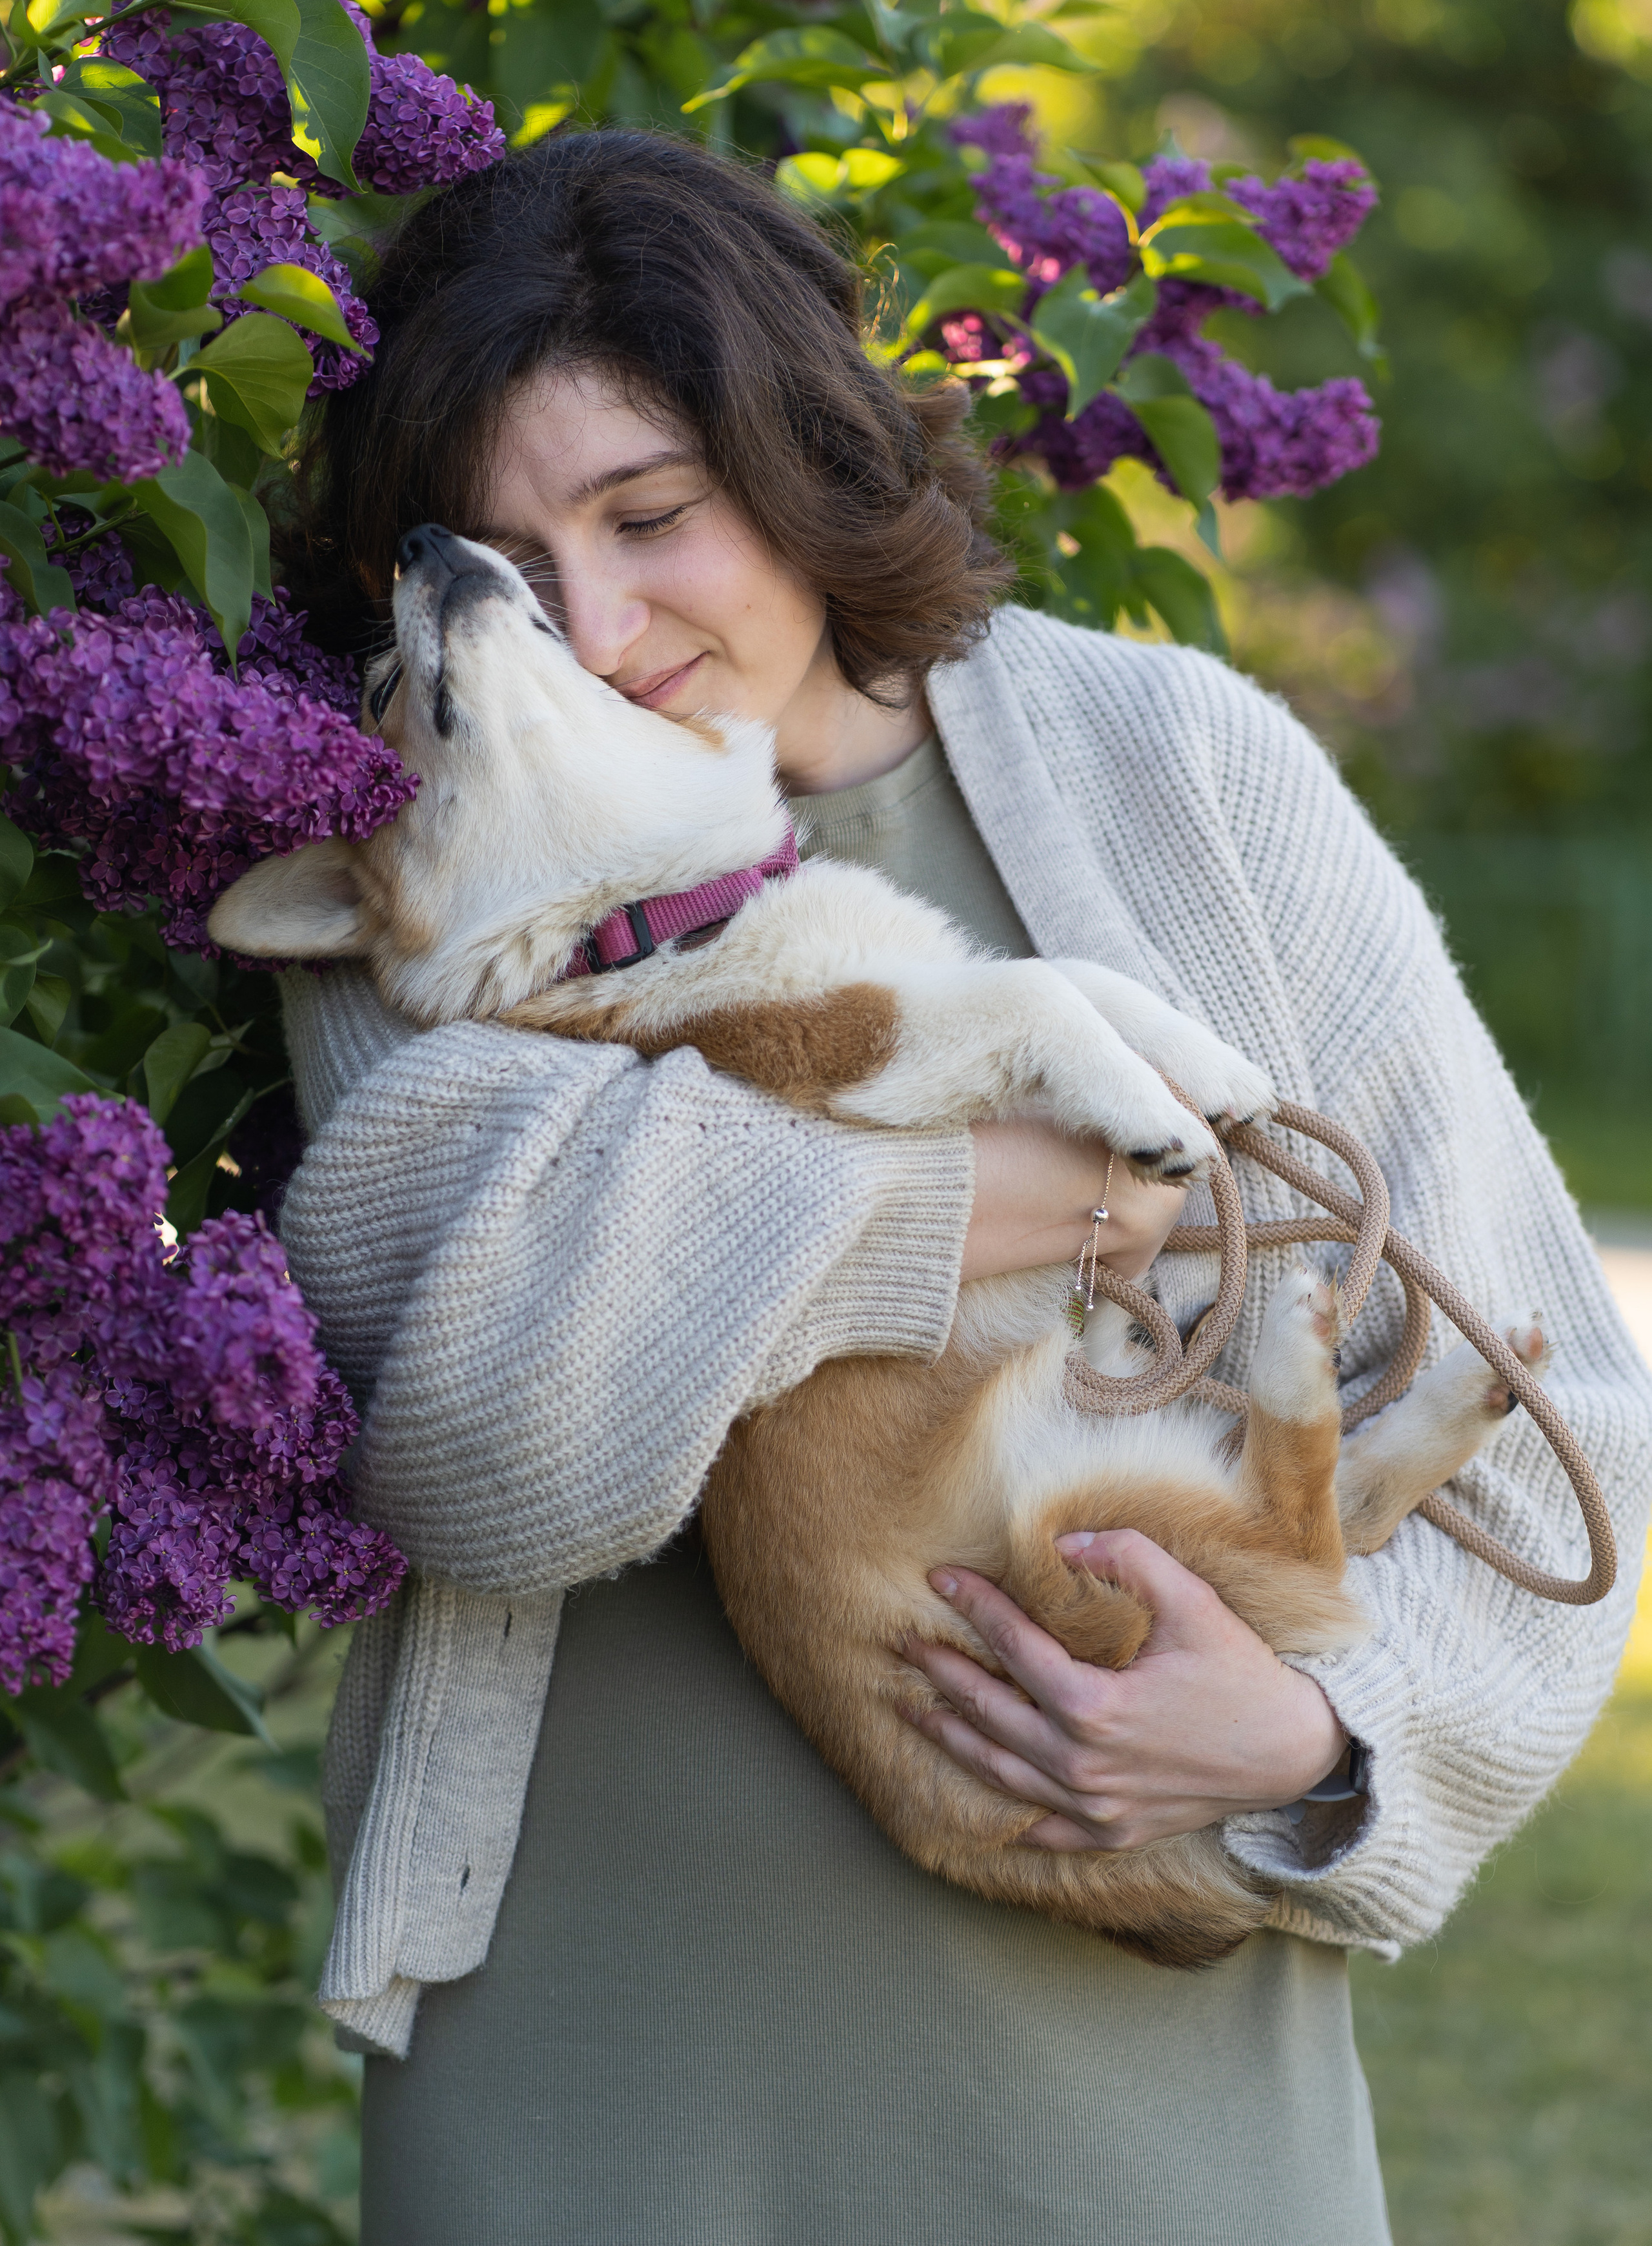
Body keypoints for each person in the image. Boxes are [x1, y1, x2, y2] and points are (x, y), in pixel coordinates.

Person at [276, 128, 1649, 2246]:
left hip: (1136, 2063)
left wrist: (1312, 1745)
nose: (600, 629)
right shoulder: (431, 865)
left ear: (802, 452)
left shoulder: (1176, 769)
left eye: (654, 516)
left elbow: (1571, 1452)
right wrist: (1031, 1209)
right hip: (599, 2061)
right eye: (512, 573)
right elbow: (485, 1441)